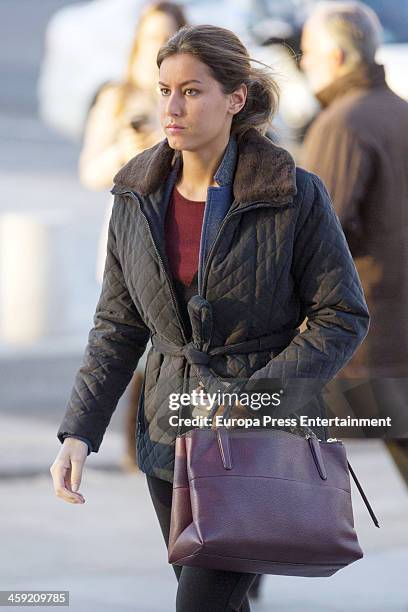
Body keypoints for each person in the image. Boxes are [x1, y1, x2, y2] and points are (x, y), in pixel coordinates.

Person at [51, 24, 370, 611]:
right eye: (164, 89)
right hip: (166, 436)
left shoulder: (295, 194)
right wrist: (79, 431)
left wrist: (257, 399)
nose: (171, 107)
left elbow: (342, 314)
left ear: (236, 98)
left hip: (256, 438)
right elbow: (118, 326)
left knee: (200, 606)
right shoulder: (135, 196)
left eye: (192, 91)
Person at [78, 1, 187, 470]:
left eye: (167, 40)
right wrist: (130, 149)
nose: (156, 51)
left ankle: (158, 443)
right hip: (130, 232)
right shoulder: (117, 98)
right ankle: (134, 444)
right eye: (149, 40)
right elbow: (90, 170)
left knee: (166, 341)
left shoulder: (190, 99)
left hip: (180, 230)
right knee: (125, 337)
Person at [300, 1, 408, 438]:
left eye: (307, 51)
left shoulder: (341, 124)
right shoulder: (399, 110)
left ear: (337, 57)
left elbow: (316, 234)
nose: (303, 62)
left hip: (367, 333)